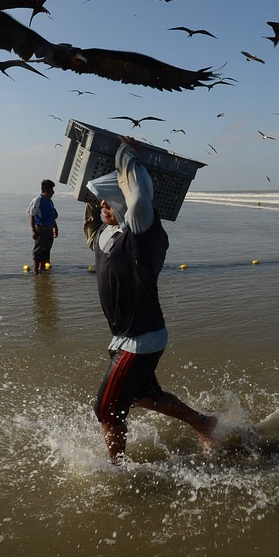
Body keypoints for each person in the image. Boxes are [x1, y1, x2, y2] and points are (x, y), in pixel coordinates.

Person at [83, 138, 215, 463]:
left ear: (123, 204)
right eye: (102, 204)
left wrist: (125, 153)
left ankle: (115, 471)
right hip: (124, 336)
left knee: (106, 407)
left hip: (140, 339)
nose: (103, 207)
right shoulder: (104, 233)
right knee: (144, 395)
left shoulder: (143, 234)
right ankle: (204, 423)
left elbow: (139, 198)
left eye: (109, 202)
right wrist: (97, 195)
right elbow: (93, 196)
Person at [27, 179, 59, 274]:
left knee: (47, 249)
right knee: (38, 250)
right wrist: (33, 230)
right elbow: (32, 216)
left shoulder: (50, 201)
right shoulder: (38, 200)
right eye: (51, 190)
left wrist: (55, 228)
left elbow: (52, 216)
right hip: (41, 228)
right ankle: (36, 271)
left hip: (49, 228)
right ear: (45, 189)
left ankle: (43, 269)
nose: (53, 192)